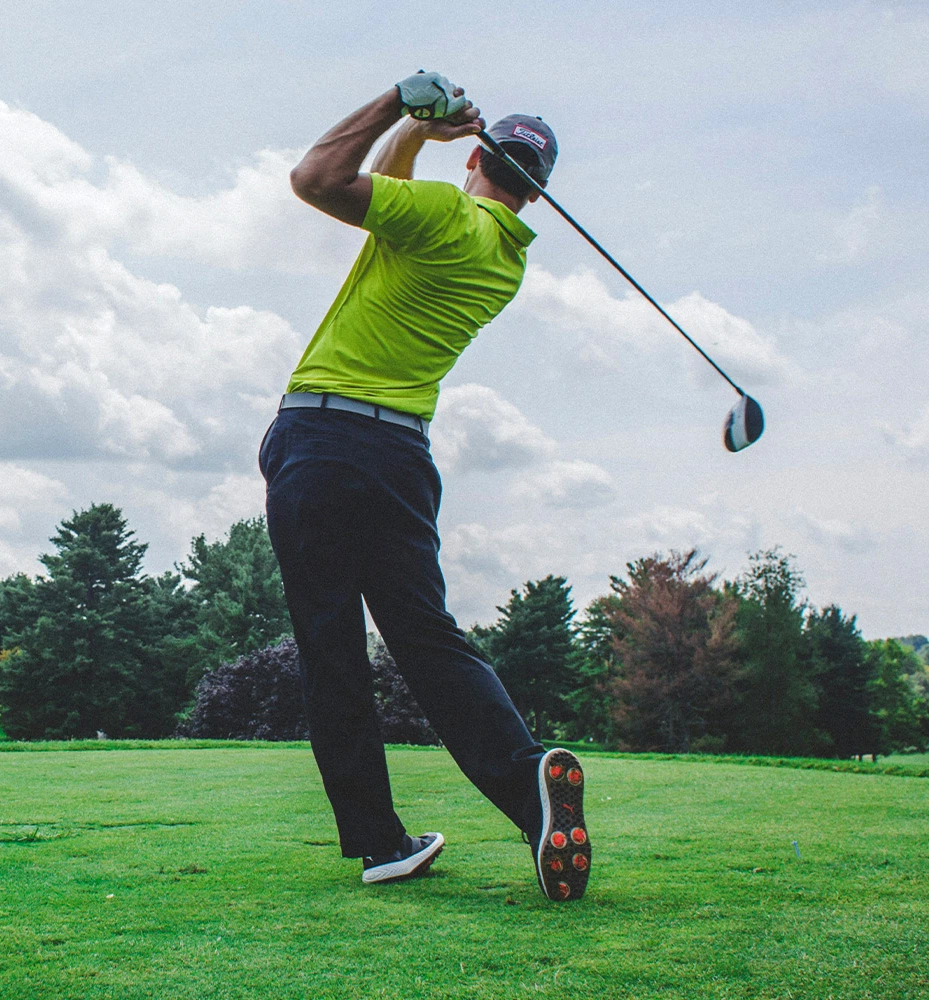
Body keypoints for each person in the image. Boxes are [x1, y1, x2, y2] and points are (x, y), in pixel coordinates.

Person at [258, 71, 590, 902]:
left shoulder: (442, 215)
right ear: (536, 195)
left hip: (323, 441)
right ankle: (529, 791)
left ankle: (380, 841)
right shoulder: (503, 257)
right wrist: (416, 134)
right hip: (401, 457)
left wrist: (394, 102)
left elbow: (316, 179)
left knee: (332, 648)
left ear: (475, 157)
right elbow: (390, 195)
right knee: (428, 640)